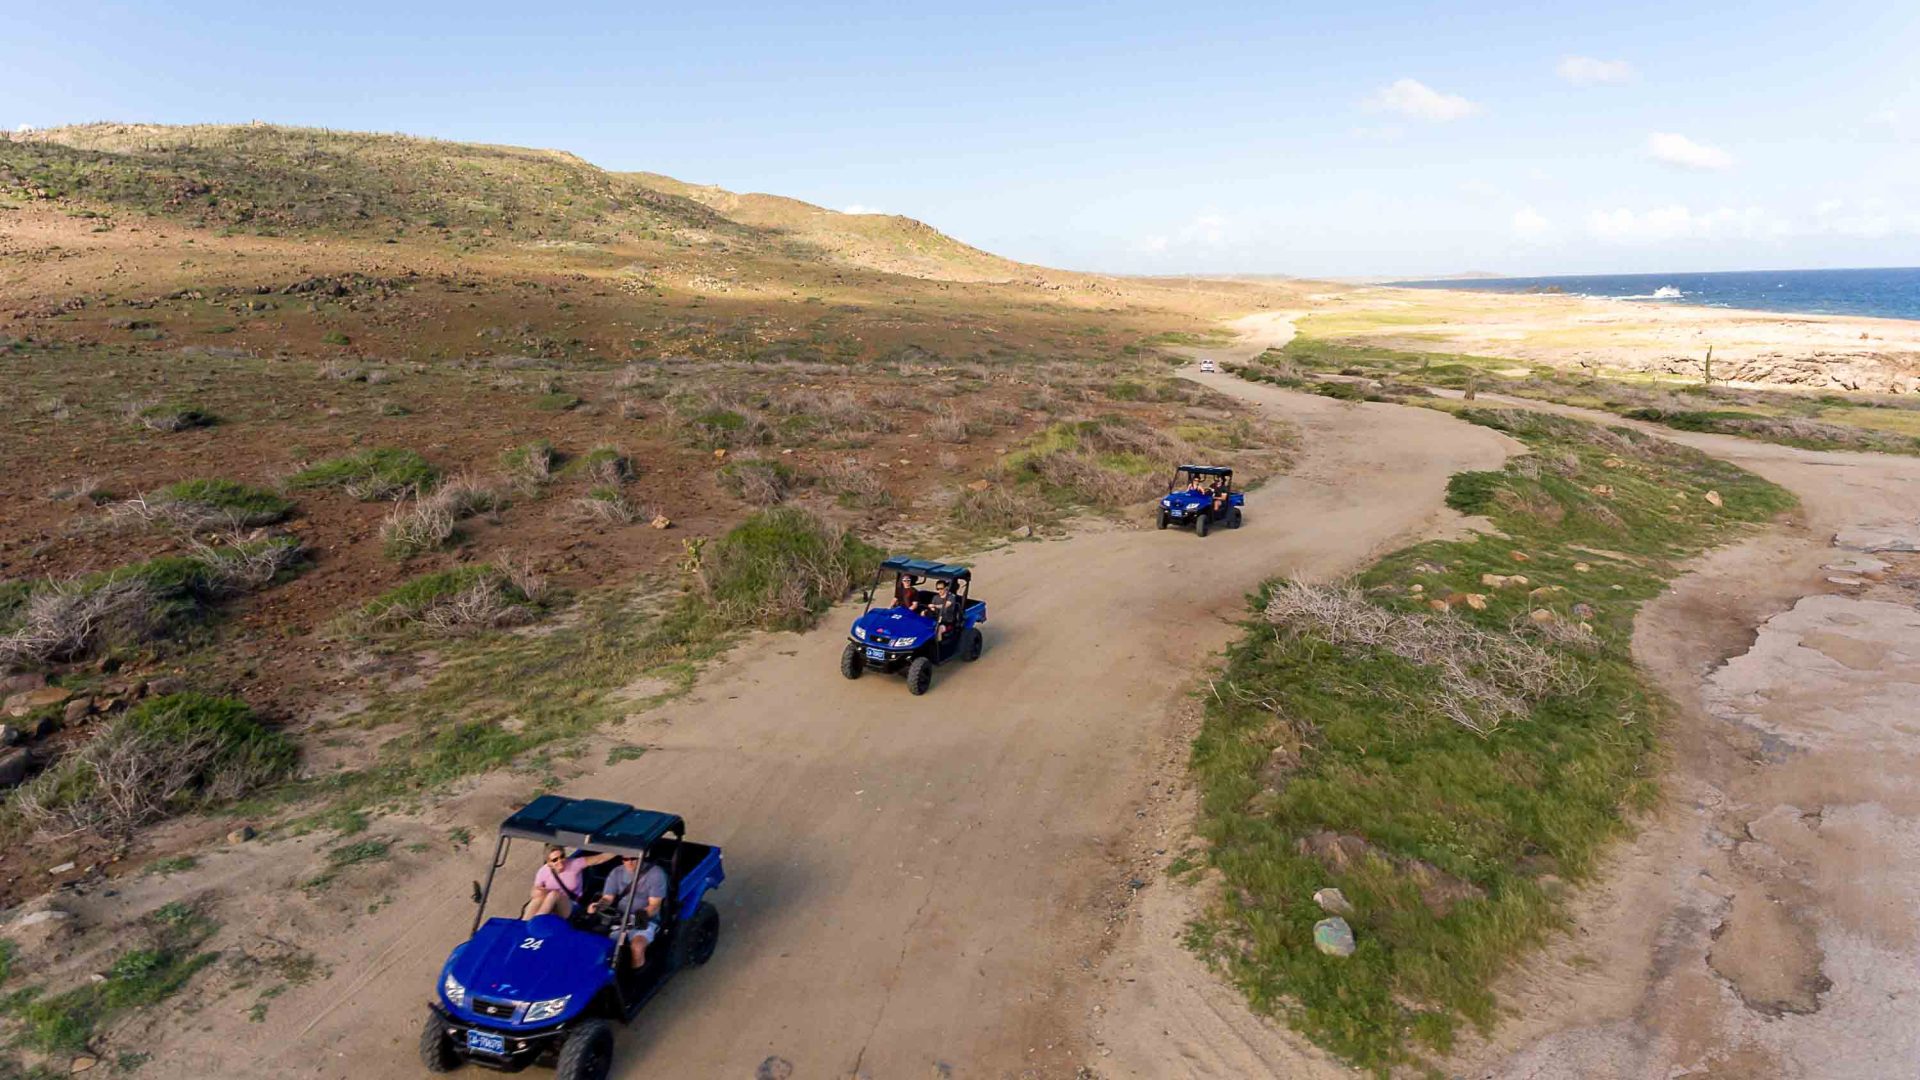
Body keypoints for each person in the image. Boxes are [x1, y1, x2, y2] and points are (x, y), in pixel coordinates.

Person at [588, 853, 669, 969]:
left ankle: (634, 982)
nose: (629, 862)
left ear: (643, 857)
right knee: (595, 942)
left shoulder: (656, 874)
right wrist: (598, 906)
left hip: (644, 920)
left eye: (633, 858)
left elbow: (655, 905)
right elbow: (607, 898)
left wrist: (638, 917)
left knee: (637, 947)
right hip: (619, 919)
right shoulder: (617, 873)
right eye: (625, 859)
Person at [527, 845, 617, 920]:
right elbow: (534, 892)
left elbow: (600, 859)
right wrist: (540, 891)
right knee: (538, 898)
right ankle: (522, 924)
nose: (560, 861)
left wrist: (620, 850)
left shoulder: (574, 864)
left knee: (554, 894)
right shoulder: (543, 871)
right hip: (548, 905)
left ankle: (537, 922)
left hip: (571, 905)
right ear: (549, 863)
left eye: (562, 857)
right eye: (555, 860)